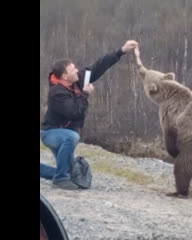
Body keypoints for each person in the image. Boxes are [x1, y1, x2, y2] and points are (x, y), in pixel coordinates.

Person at [40, 40, 138, 190]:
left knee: (70, 170)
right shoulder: (57, 93)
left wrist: (121, 51)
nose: (77, 70)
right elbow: (74, 112)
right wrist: (85, 94)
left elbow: (99, 66)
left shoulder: (77, 80)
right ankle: (60, 179)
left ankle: (59, 174)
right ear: (65, 76)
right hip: (51, 133)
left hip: (65, 132)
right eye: (73, 69)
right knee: (71, 138)